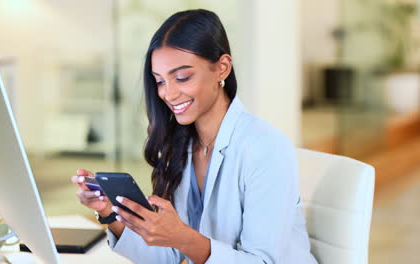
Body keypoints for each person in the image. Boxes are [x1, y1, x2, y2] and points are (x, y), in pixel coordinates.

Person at [71, 9, 317, 264]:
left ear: (222, 68)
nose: (168, 93)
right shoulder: (183, 145)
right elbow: (168, 256)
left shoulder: (265, 148)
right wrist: (110, 213)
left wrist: (182, 237)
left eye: (182, 77)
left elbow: (262, 261)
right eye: (160, 81)